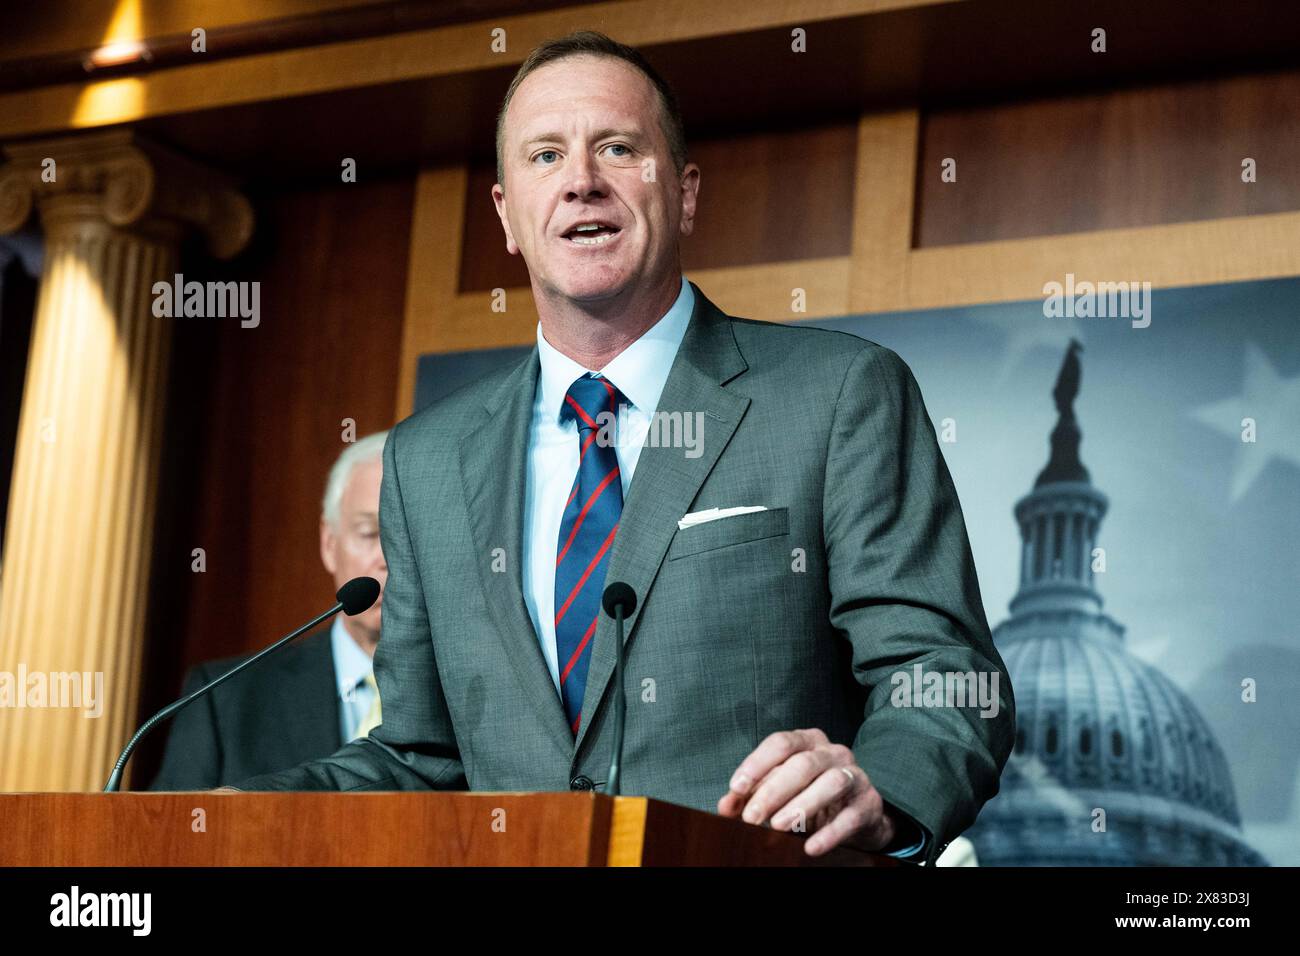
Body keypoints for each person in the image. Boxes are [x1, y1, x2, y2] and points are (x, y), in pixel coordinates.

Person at [229, 31, 1014, 866]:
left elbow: (942, 677)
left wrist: (881, 791)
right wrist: (241, 811)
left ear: (684, 193)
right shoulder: (429, 461)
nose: (580, 181)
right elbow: (422, 756)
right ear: (506, 217)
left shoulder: (838, 394)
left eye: (617, 147)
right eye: (544, 155)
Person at [151, 432, 388, 789]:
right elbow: (170, 837)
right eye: (370, 533)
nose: (388, 559)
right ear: (329, 543)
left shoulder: (475, 700)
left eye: (408, 536)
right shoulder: (224, 699)